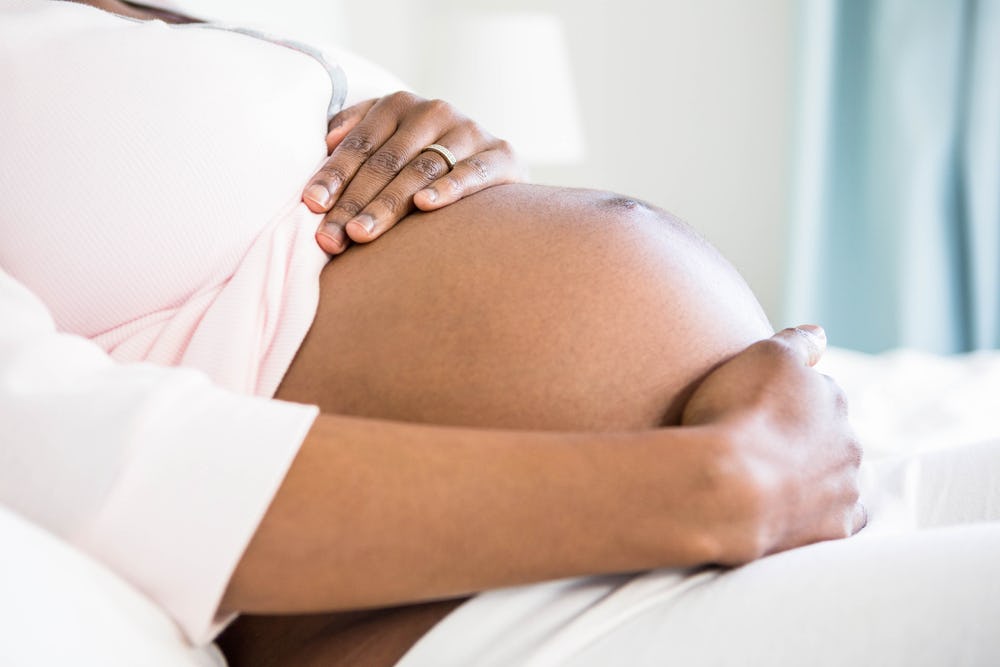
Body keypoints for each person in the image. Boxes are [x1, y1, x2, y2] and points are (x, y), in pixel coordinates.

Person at [6, 2, 994, 667]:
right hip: (533, 596)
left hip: (777, 494)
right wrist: (724, 485)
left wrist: (430, 142)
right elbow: (66, 448)